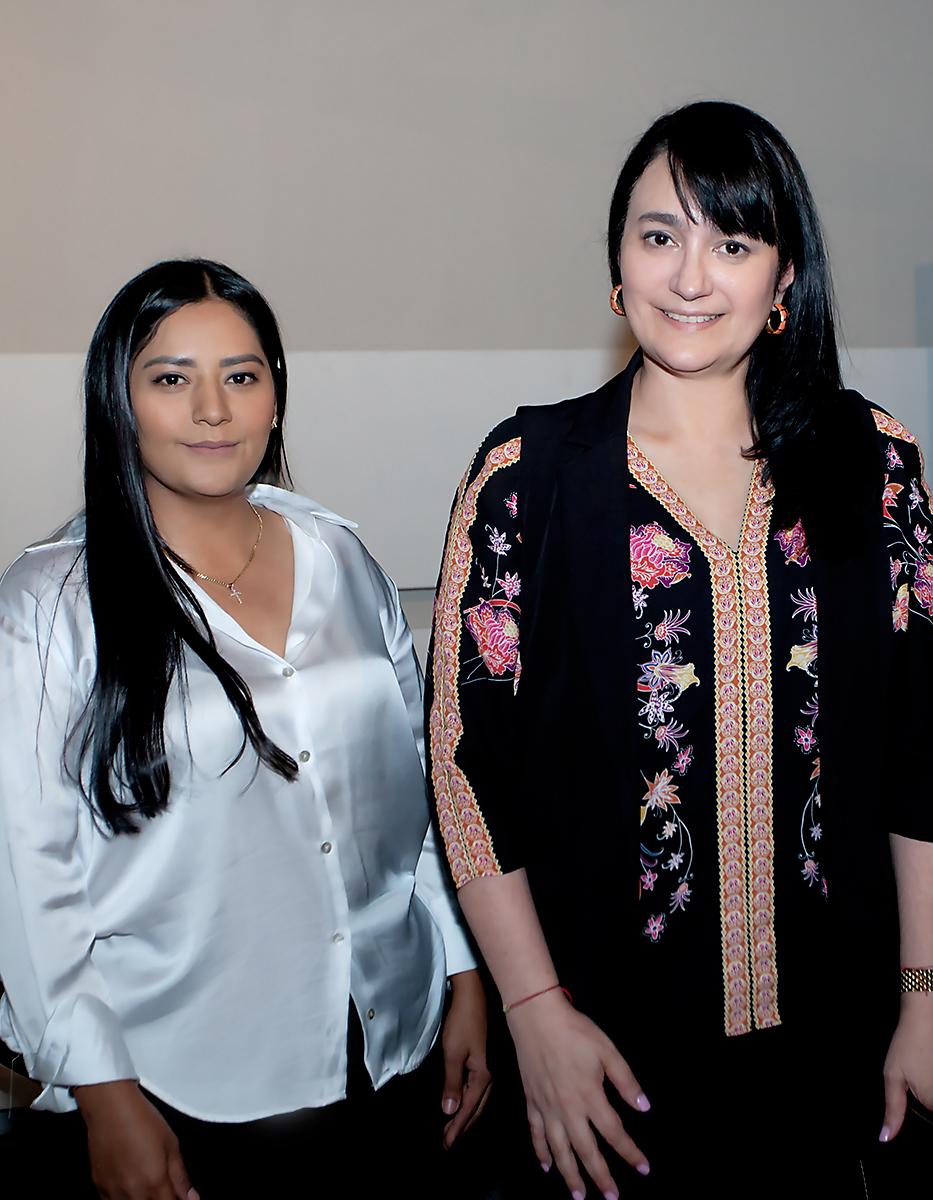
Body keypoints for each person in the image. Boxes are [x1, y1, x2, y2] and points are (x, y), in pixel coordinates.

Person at [425, 101, 933, 1198]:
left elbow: (920, 750)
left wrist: (925, 998)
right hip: (599, 1055)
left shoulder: (873, 465)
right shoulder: (528, 477)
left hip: (840, 1043)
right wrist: (533, 1015)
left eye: (732, 243)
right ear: (618, 260)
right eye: (659, 235)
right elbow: (468, 773)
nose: (690, 278)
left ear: (783, 275)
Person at [0, 259, 490, 1199]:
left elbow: (418, 787)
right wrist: (102, 1092)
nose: (211, 410)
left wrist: (463, 971)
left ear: (275, 396)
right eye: (170, 378)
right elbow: (29, 875)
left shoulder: (340, 555)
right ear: (118, 403)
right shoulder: (48, 605)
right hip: (181, 1083)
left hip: (394, 1046)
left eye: (241, 374)